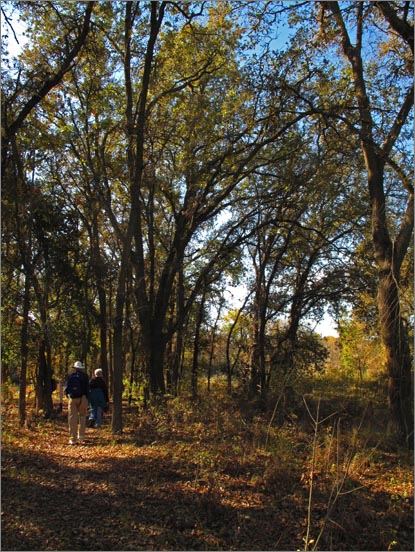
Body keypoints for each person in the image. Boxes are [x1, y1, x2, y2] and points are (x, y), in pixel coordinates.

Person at [64, 361, 90, 445]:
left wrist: (68, 396)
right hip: (83, 397)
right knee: (82, 416)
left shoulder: (70, 376)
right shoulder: (85, 376)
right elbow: (87, 388)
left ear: (74, 368)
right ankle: (81, 436)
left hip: (72, 398)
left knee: (72, 418)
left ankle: (73, 439)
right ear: (81, 368)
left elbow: (66, 388)